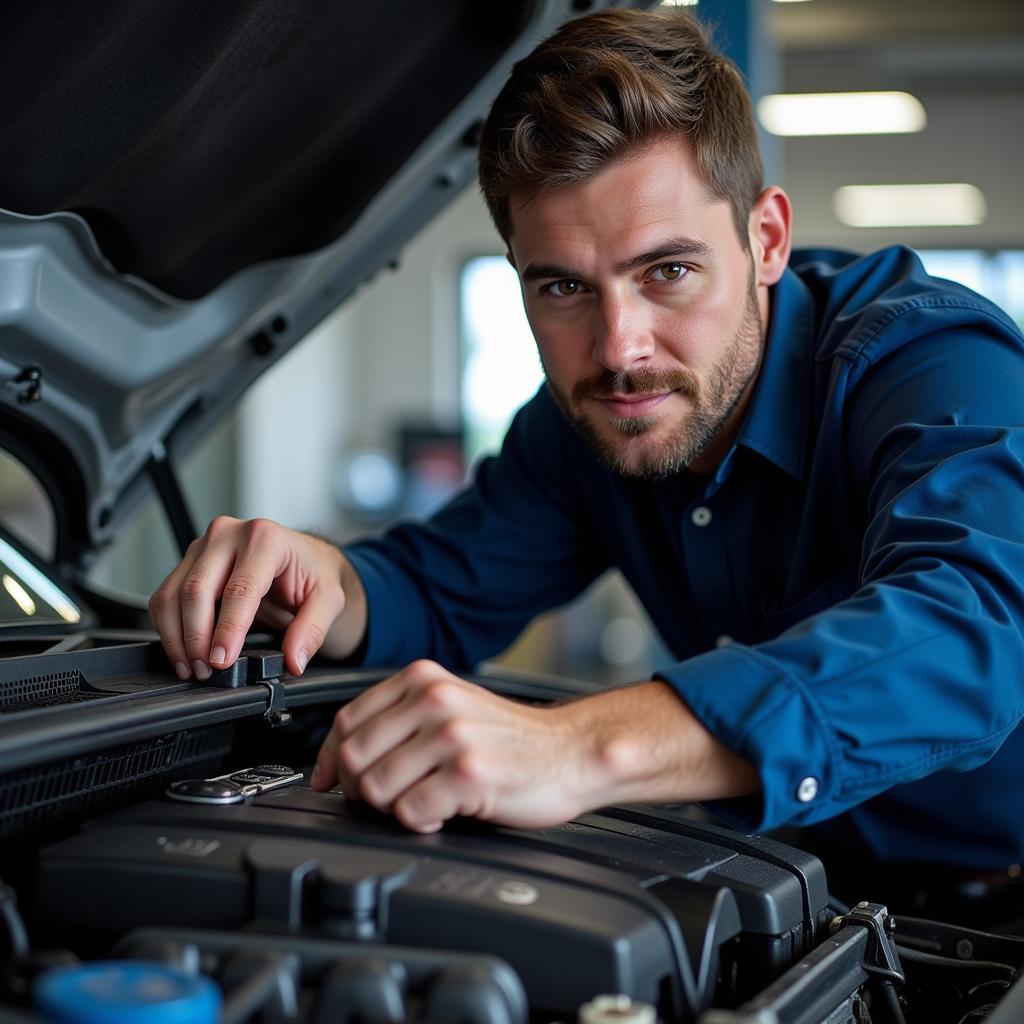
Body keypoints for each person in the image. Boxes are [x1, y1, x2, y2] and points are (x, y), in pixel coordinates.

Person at [149, 8, 1024, 908]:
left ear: (765, 240)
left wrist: (575, 747)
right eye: (564, 287)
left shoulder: (932, 359)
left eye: (667, 272)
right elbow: (444, 586)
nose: (618, 348)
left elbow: (978, 629)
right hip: (813, 886)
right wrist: (326, 578)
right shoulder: (591, 423)